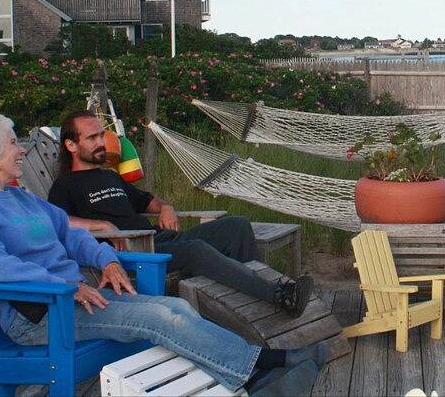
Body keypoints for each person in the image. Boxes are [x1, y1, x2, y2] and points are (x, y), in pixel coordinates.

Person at [0, 114, 327, 394]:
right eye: (14, 143)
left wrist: (106, 259)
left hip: (75, 298)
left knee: (174, 310)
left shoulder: (20, 198)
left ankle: (258, 368)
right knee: (164, 316)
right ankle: (263, 369)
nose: (22, 149)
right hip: (38, 314)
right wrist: (64, 285)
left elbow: (69, 234)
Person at [47, 110, 312, 317]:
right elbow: (57, 222)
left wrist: (166, 207)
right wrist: (101, 225)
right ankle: (278, 296)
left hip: (161, 241)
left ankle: (255, 305)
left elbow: (148, 200)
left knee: (237, 226)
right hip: (134, 255)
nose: (101, 143)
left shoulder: (109, 177)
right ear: (71, 145)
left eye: (101, 136)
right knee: (196, 249)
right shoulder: (64, 185)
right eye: (92, 138)